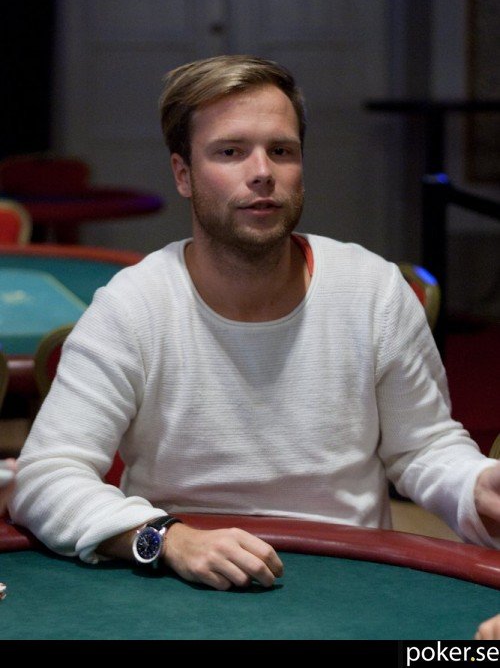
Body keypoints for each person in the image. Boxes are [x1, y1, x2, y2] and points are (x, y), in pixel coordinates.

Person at [8, 55, 500, 591]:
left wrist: (476, 486)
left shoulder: (373, 291)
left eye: (281, 151)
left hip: (351, 574)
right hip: (182, 578)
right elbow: (46, 477)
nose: (263, 171)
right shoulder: (133, 305)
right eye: (231, 151)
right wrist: (167, 538)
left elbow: (423, 448)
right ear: (183, 174)